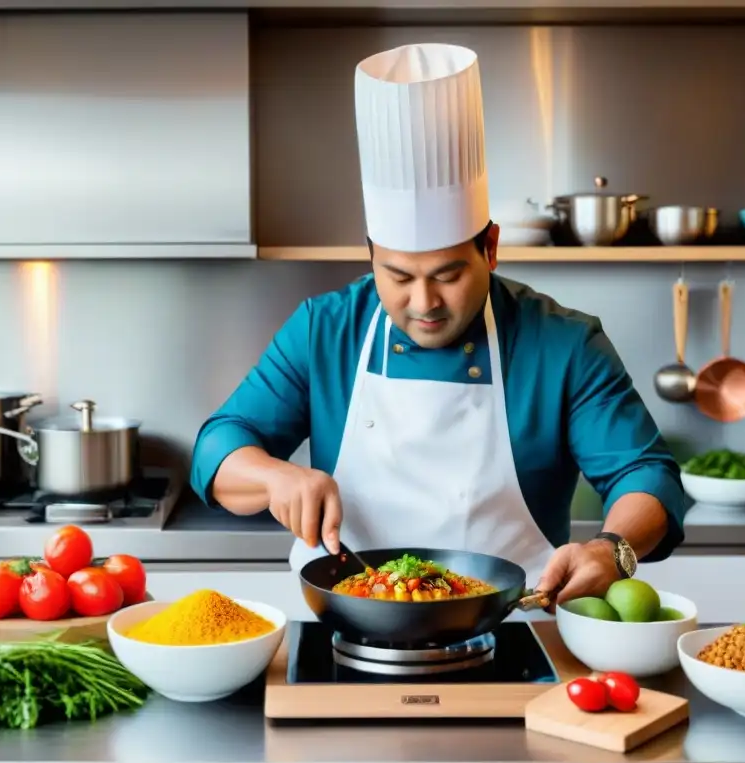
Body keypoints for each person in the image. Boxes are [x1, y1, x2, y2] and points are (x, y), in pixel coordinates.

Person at [190, 42, 685, 606]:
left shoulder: (565, 344)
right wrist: (276, 477)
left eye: (448, 274)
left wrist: (611, 548)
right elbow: (216, 448)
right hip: (344, 630)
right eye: (397, 276)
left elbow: (648, 475)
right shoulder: (323, 330)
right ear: (370, 254)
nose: (423, 301)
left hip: (515, 631)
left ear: (490, 247)